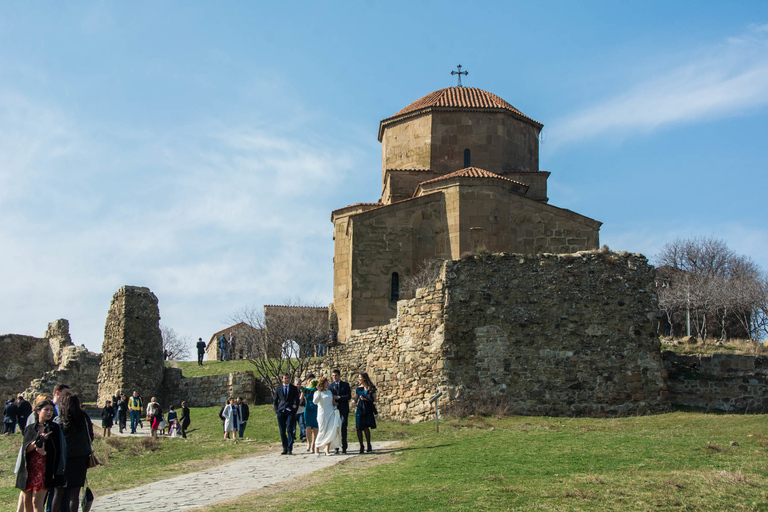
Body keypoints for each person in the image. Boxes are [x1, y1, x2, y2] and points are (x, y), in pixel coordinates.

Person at [15, 399, 64, 512]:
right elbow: (25, 450)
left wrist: (44, 453)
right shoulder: (30, 428)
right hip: (28, 469)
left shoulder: (54, 429)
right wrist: (35, 443)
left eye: (51, 410)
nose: (49, 412)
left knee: (36, 502)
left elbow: (57, 451)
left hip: (43, 470)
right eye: (46, 410)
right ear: (38, 411)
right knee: (26, 502)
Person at [55, 391, 94, 512]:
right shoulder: (84, 418)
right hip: (80, 457)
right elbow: (90, 436)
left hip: (62, 459)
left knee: (58, 492)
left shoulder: (59, 420)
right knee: (74, 493)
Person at [313, 377, 341, 456]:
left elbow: (332, 401)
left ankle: (327, 449)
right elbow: (315, 401)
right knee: (322, 431)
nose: (328, 384)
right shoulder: (317, 393)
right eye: (326, 382)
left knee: (331, 430)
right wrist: (318, 392)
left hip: (331, 413)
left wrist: (335, 405)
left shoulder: (329, 392)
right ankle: (317, 448)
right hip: (322, 414)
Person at [273, 373, 299, 455]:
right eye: (285, 378)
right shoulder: (278, 388)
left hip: (290, 411)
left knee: (289, 429)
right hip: (281, 411)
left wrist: (295, 410)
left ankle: (289, 448)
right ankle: (284, 447)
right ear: (282, 379)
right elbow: (275, 400)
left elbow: (297, 400)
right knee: (282, 431)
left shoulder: (293, 388)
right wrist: (277, 410)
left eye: (288, 378)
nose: (286, 380)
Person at [354, 372, 377, 454]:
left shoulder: (370, 387)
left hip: (367, 408)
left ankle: (368, 444)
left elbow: (374, 399)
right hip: (360, 408)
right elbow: (356, 398)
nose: (359, 379)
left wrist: (366, 399)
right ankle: (361, 445)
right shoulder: (358, 388)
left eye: (360, 377)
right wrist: (354, 402)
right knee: (358, 427)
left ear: (364, 378)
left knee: (366, 426)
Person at [329, 369, 351, 454]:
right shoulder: (330, 386)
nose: (334, 377)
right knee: (335, 428)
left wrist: (339, 397)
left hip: (343, 409)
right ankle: (336, 446)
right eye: (333, 376)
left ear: (339, 376)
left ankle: (344, 445)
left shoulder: (345, 385)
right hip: (334, 409)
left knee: (343, 426)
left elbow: (348, 396)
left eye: (336, 376)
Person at [300, 376, 319, 453]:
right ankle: (308, 443)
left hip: (315, 408)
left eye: (312, 380)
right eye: (309, 380)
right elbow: (301, 399)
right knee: (308, 426)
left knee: (315, 427)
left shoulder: (316, 389)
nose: (310, 381)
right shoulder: (305, 390)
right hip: (308, 409)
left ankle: (313, 444)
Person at [293, 378, 306, 442]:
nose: (298, 386)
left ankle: (303, 436)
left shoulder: (302, 391)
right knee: (293, 425)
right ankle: (292, 436)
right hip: (294, 410)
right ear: (294, 384)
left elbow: (302, 401)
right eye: (297, 384)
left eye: (299, 384)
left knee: (302, 423)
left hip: (301, 410)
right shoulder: (291, 391)